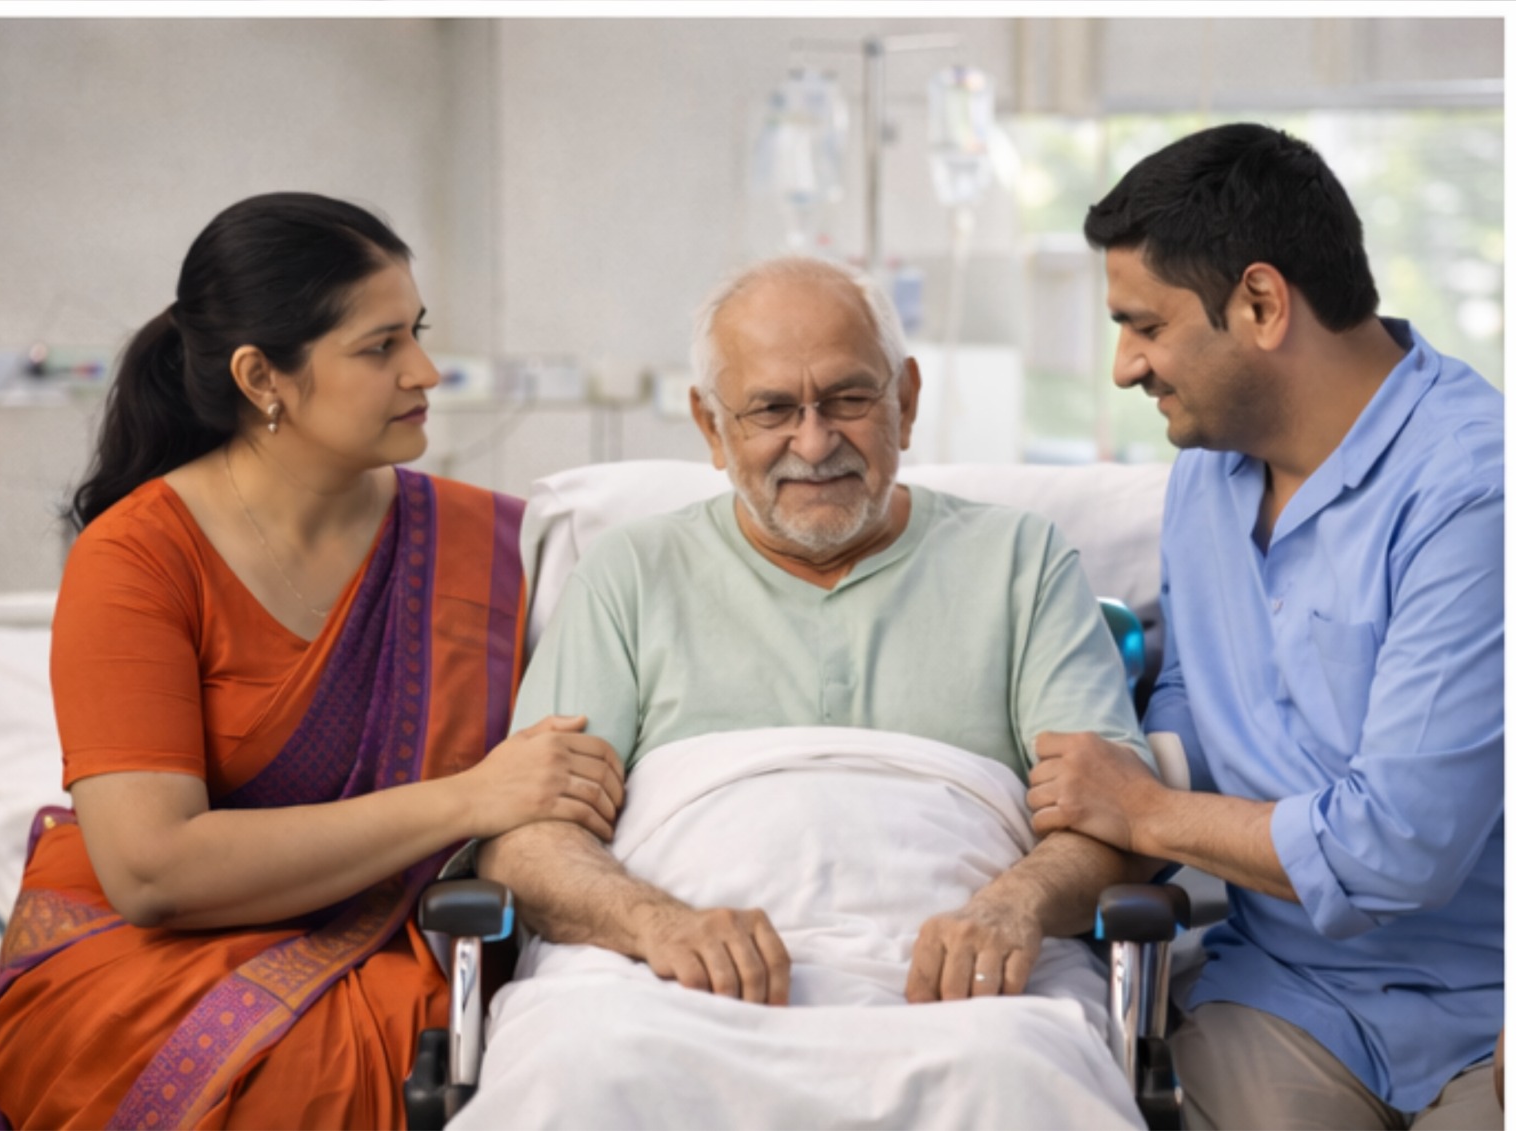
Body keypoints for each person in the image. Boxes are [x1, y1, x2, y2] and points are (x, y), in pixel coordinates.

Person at [0, 193, 624, 1130]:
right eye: (380, 346)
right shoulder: (138, 559)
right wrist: (474, 796)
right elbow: (152, 870)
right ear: (261, 375)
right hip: (148, 956)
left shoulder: (489, 546)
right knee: (331, 1076)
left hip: (406, 938)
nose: (425, 371)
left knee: (556, 1053)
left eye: (418, 334)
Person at [456, 256, 1160, 1128]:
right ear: (710, 427)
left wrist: (1010, 907)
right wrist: (655, 923)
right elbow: (526, 840)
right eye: (771, 410)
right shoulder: (628, 572)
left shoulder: (1023, 562)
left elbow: (1119, 819)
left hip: (961, 988)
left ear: (905, 396)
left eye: (849, 399)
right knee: (583, 1062)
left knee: (1015, 1075)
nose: (815, 441)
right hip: (658, 976)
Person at [1026, 123, 1503, 1130]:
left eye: (1144, 327)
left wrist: (1144, 809)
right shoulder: (1207, 468)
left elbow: (1397, 850)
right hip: (1285, 996)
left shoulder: (1474, 494)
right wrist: (1102, 783)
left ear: (1259, 303)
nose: (1124, 367)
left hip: (1484, 1010)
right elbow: (1198, 688)